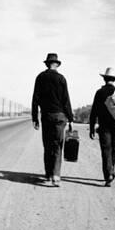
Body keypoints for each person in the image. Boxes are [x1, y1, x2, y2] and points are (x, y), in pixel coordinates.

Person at [31, 53, 74, 187]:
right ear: (56, 64)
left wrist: (35, 118)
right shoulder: (61, 78)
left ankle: (48, 174)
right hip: (60, 116)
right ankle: (56, 175)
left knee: (47, 145)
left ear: (46, 64)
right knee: (57, 145)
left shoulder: (40, 77)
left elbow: (35, 99)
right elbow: (66, 100)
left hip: (46, 116)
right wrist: (71, 118)